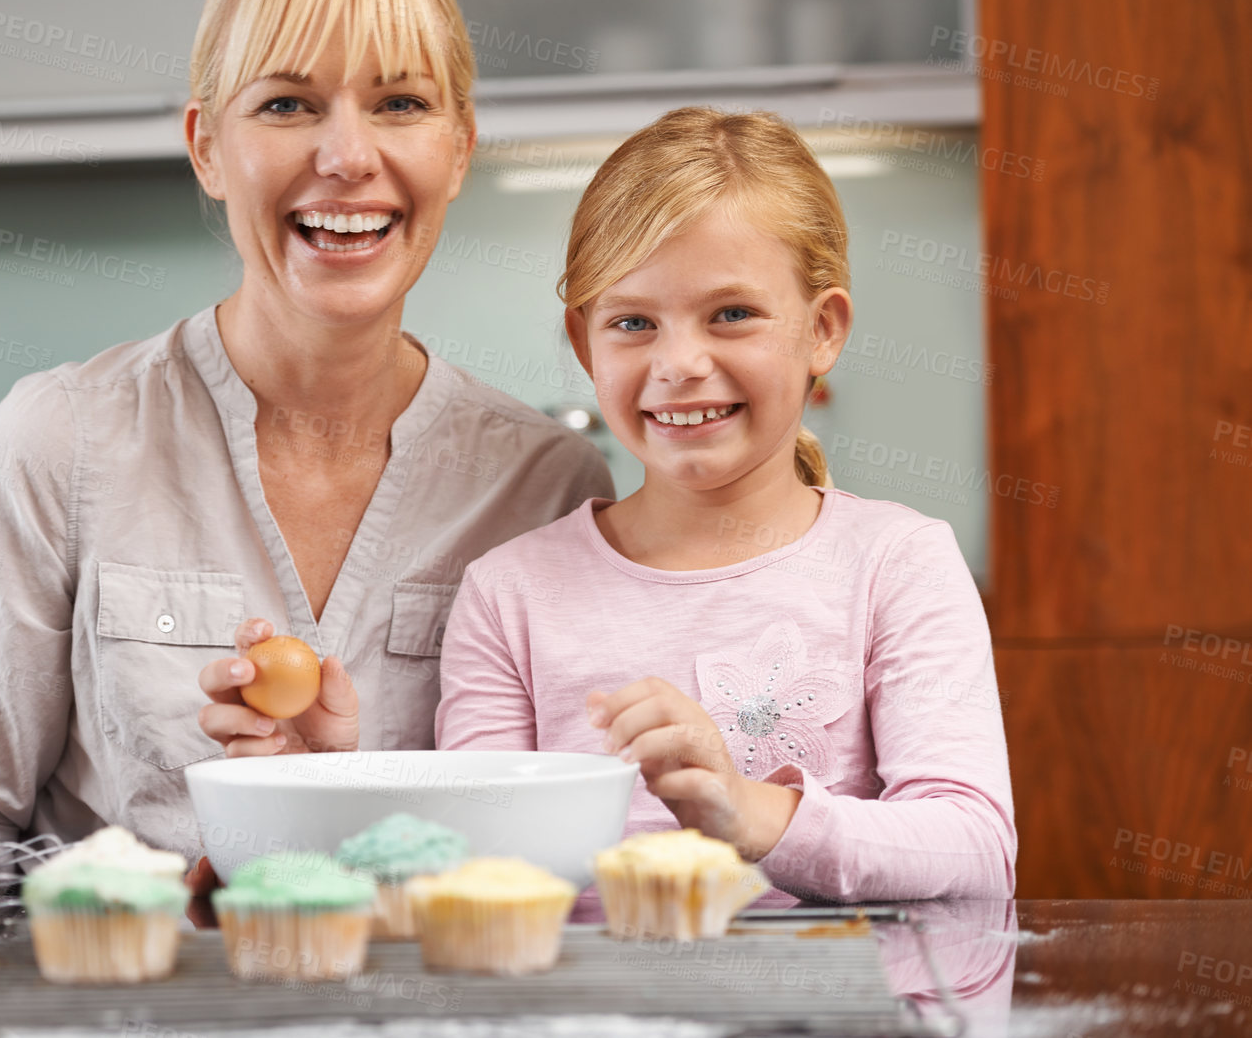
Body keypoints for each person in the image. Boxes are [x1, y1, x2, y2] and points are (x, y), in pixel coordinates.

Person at [0, 0, 613, 927]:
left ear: (457, 149)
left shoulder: (550, 489)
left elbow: (559, 870)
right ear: (208, 150)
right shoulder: (55, 444)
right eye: (286, 104)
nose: (349, 155)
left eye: (400, 102)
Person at [435, 108, 1016, 906]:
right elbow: (481, 870)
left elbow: (972, 845)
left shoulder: (896, 563)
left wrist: (746, 810)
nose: (678, 363)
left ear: (822, 329)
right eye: (632, 322)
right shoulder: (507, 595)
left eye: (731, 314)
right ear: (584, 345)